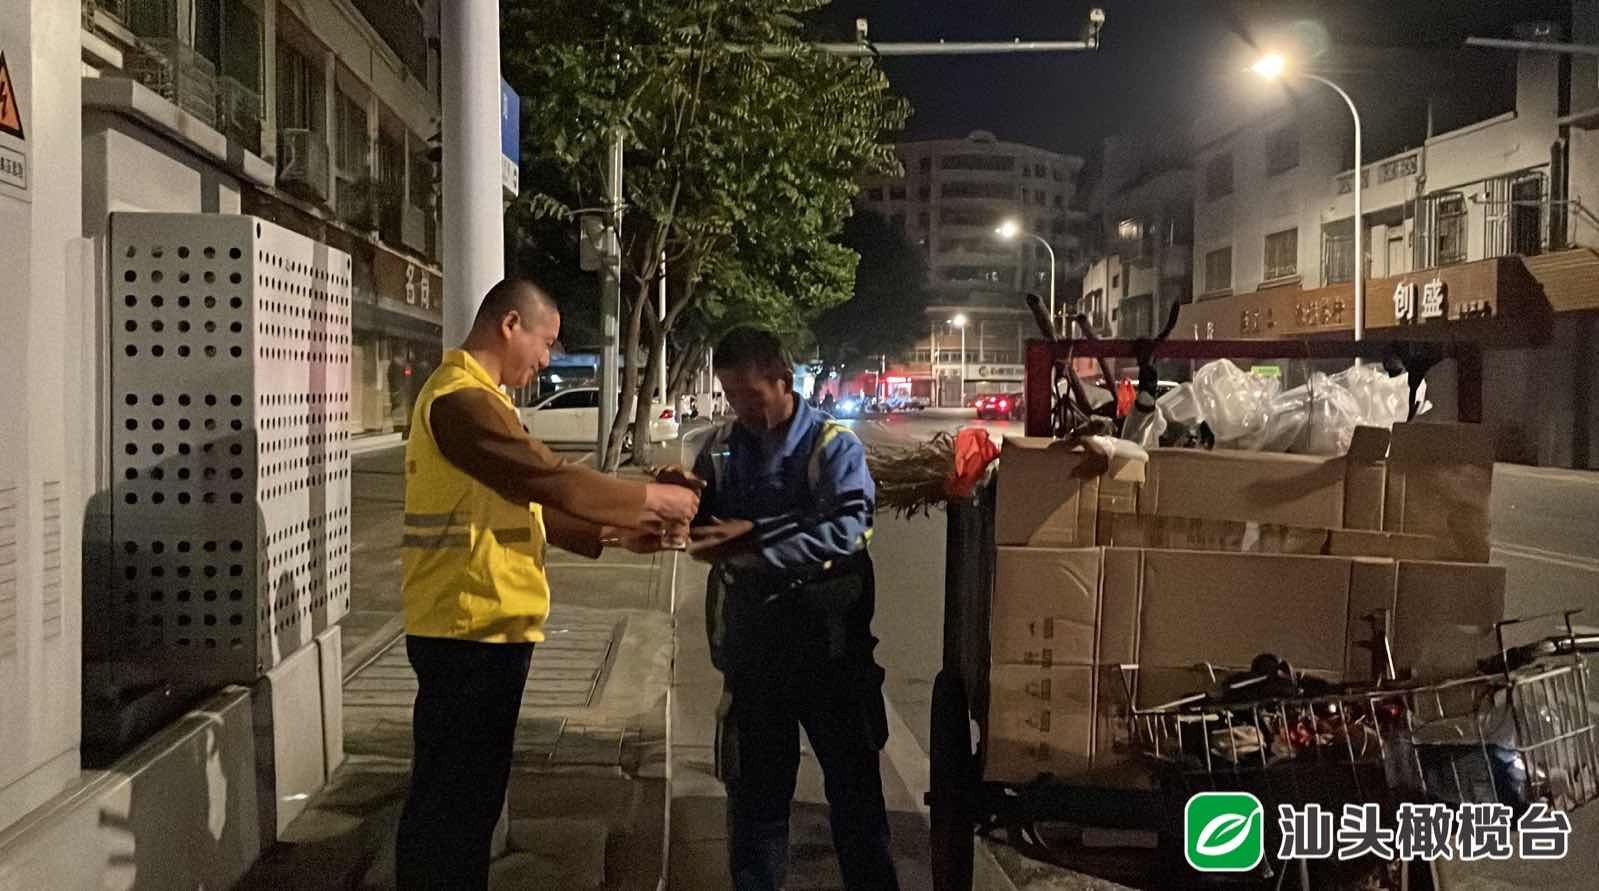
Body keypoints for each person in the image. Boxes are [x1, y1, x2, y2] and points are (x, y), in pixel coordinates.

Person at [395, 277, 700, 890]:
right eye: (546, 341)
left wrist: (618, 533)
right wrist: (651, 500)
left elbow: (529, 505)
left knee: (469, 803)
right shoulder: (460, 401)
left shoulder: (483, 400)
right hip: (467, 632)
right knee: (452, 811)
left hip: (485, 629)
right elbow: (552, 480)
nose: (547, 358)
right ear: (510, 324)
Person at [688, 327, 899, 891]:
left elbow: (851, 529)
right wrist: (678, 500)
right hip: (755, 656)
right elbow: (699, 518)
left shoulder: (833, 446)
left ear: (784, 379)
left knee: (856, 799)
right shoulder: (720, 448)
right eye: (731, 396)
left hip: (831, 652)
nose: (741, 408)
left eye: (751, 395)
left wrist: (756, 542)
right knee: (756, 805)